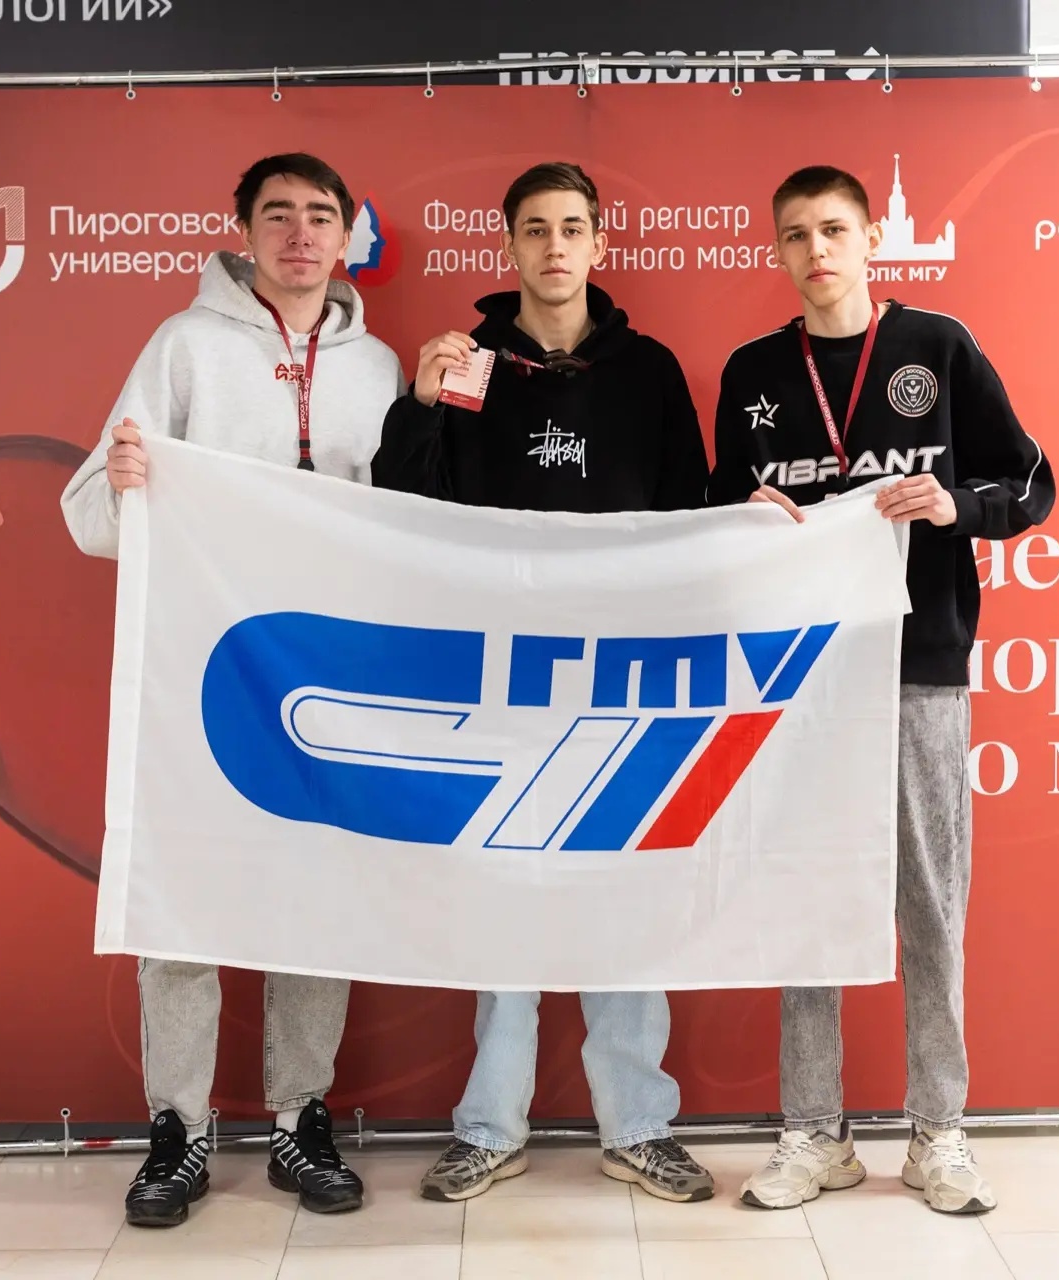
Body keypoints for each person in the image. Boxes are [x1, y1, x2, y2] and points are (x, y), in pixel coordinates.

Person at [61, 152, 403, 1227]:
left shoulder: (380, 366)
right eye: (279, 215)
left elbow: (402, 528)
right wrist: (123, 486)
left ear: (347, 235)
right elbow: (86, 511)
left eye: (320, 216)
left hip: (329, 676)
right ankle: (180, 1127)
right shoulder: (184, 346)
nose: (301, 234)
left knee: (317, 900)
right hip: (198, 671)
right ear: (243, 230)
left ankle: (302, 1117)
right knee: (184, 896)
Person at [708, 165, 1055, 1215]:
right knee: (805, 900)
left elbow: (1032, 482)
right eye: (795, 234)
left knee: (931, 904)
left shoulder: (938, 347)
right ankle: (813, 1130)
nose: (816, 251)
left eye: (833, 230)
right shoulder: (753, 369)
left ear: (870, 242)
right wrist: (744, 513)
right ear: (777, 251)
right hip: (796, 676)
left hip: (918, 668)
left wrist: (955, 505)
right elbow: (715, 505)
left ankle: (939, 1131)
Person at [372, 161, 715, 1203]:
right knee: (502, 906)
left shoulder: (649, 370)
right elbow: (405, 508)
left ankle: (638, 1125)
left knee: (625, 903)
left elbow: (691, 516)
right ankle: (490, 1127)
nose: (555, 246)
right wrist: (418, 407)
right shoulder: (466, 364)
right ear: (509, 245)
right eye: (535, 229)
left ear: (599, 243)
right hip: (499, 674)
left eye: (572, 228)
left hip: (622, 678)